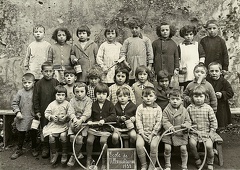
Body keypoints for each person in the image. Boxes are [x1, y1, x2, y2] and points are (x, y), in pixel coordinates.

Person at [187, 85, 218, 170]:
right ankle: (197, 159)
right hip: (194, 133)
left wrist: (212, 132)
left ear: (205, 97)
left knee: (208, 146)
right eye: (196, 96)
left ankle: (210, 162)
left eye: (201, 96)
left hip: (206, 132)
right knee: (192, 144)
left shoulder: (208, 108)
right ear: (192, 97)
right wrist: (188, 126)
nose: (198, 99)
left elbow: (214, 122)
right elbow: (187, 120)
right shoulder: (189, 108)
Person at [86, 83, 116, 170]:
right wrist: (89, 121)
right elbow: (90, 115)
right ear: (95, 94)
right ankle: (89, 158)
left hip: (105, 128)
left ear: (107, 94)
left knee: (103, 141)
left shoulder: (110, 104)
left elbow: (113, 116)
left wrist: (104, 120)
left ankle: (104, 160)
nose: (101, 96)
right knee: (89, 141)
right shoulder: (93, 104)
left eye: (104, 94)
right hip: (94, 128)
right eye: (98, 94)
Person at [33, 61, 59, 158]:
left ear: (53, 72)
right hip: (43, 110)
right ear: (42, 72)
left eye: (50, 71)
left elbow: (59, 96)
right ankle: (45, 147)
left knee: (54, 127)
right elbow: (35, 98)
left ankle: (55, 147)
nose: (48, 73)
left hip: (54, 111)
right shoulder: (38, 84)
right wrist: (37, 111)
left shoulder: (56, 82)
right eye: (46, 71)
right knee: (44, 129)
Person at [10, 73, 38, 159]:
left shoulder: (35, 92)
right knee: (21, 133)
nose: (26, 85)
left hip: (33, 117)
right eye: (25, 82)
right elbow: (14, 103)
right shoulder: (20, 92)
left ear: (33, 83)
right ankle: (19, 149)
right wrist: (17, 112)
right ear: (22, 83)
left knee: (34, 133)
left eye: (29, 82)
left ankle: (34, 148)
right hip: (22, 117)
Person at [162, 89, 191, 170]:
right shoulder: (166, 110)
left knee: (183, 148)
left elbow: (188, 121)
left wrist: (186, 125)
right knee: (167, 148)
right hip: (169, 133)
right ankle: (167, 165)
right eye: (172, 99)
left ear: (181, 100)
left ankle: (184, 165)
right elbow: (164, 120)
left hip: (180, 133)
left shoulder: (184, 111)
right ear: (169, 100)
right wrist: (169, 127)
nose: (175, 101)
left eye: (177, 99)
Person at [119, 17, 153, 85]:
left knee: (142, 79)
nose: (134, 30)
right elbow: (122, 53)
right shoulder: (127, 41)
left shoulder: (146, 40)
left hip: (142, 63)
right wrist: (125, 62)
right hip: (131, 65)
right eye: (132, 28)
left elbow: (150, 53)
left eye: (136, 28)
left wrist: (149, 65)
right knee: (132, 82)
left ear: (140, 28)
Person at [42, 85, 70, 165]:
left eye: (62, 95)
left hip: (64, 124)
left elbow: (70, 113)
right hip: (54, 124)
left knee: (63, 135)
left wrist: (66, 117)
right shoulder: (52, 104)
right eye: (58, 95)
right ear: (55, 95)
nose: (60, 97)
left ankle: (64, 153)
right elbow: (46, 113)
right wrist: (51, 117)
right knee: (51, 136)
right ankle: (54, 153)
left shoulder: (67, 104)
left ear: (65, 96)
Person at [135, 86, 162, 170]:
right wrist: (142, 133)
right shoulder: (140, 108)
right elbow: (138, 121)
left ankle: (152, 165)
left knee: (154, 145)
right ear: (142, 98)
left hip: (154, 133)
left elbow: (159, 122)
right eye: (146, 96)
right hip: (142, 132)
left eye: (150, 96)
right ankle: (144, 164)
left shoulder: (158, 108)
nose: (148, 98)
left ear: (155, 98)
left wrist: (152, 134)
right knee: (139, 145)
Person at [67, 82, 92, 167]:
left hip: (84, 122)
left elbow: (88, 112)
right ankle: (78, 152)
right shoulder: (72, 100)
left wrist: (81, 120)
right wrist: (74, 119)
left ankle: (74, 155)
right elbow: (70, 111)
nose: (79, 94)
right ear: (74, 92)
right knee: (72, 137)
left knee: (80, 138)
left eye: (82, 91)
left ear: (86, 92)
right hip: (74, 120)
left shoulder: (88, 100)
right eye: (77, 92)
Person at [207, 62, 234, 129]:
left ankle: (221, 129)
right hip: (209, 104)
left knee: (220, 120)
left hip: (221, 105)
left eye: (216, 71)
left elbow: (230, 92)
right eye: (212, 71)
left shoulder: (224, 82)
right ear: (208, 72)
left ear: (220, 72)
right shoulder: (207, 81)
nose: (214, 73)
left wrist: (222, 94)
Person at [178, 25, 205, 89]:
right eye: (186, 35)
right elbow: (178, 58)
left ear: (193, 35)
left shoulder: (197, 45)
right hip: (185, 68)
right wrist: (180, 67)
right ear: (183, 35)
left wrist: (201, 64)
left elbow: (202, 55)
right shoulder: (180, 46)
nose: (188, 36)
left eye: (190, 34)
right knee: (186, 84)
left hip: (195, 67)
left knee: (196, 83)